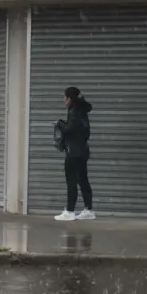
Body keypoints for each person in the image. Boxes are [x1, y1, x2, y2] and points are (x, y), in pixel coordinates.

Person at [54, 87, 95, 221]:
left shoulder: (74, 112)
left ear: (70, 98)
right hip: (82, 150)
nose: (63, 100)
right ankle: (88, 210)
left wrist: (60, 124)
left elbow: (69, 129)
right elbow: (78, 129)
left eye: (65, 98)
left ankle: (70, 211)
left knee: (71, 181)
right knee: (83, 180)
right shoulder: (81, 111)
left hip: (74, 152)